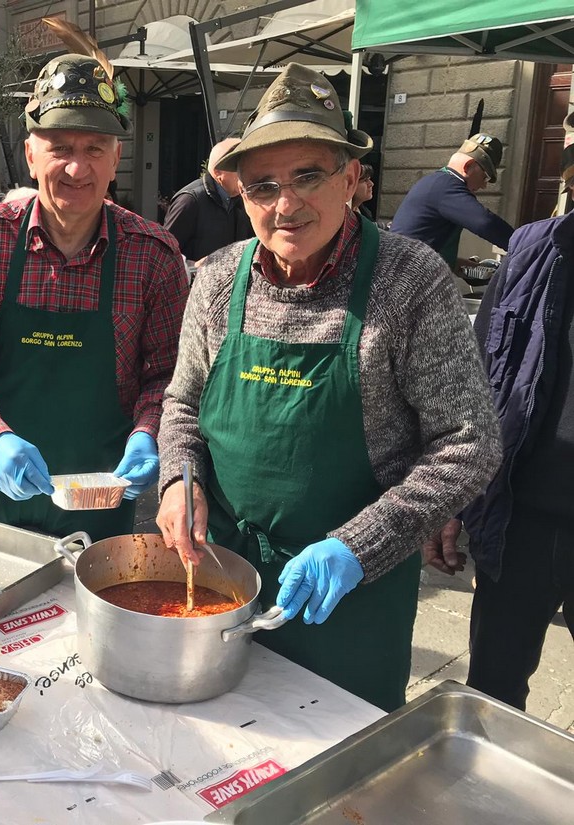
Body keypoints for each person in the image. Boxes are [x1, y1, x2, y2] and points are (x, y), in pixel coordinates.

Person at [155, 64, 502, 712]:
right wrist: (177, 478)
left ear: (352, 178)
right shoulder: (215, 278)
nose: (286, 204)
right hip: (221, 581)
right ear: (240, 193)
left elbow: (470, 441)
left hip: (350, 603)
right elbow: (182, 404)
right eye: (263, 185)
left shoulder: (409, 281)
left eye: (307, 175)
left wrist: (356, 546)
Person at [0, 54, 189, 540]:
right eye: (60, 146)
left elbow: (168, 375)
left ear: (116, 158)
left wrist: (148, 433)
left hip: (102, 500)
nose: (77, 166)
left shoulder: (152, 254)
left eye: (95, 148)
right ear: (30, 155)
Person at [451, 111, 574, 711]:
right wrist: (455, 500)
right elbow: (479, 385)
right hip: (517, 518)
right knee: (493, 693)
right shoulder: (534, 251)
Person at [391, 133, 514, 268]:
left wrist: (457, 265)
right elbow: (485, 223)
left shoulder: (435, 182)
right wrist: (527, 244)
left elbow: (425, 237)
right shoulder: (448, 187)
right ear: (468, 166)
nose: (484, 185)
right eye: (485, 177)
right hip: (406, 275)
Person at [163, 136, 254, 262]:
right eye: (237, 168)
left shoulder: (244, 200)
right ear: (218, 173)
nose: (246, 174)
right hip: (196, 279)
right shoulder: (190, 201)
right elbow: (163, 252)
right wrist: (193, 267)